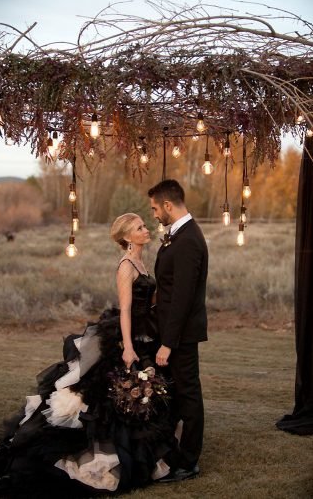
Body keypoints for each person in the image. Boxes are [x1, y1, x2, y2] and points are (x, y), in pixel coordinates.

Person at [0, 213, 175, 499]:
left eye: (144, 226)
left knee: (139, 395)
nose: (146, 230)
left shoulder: (142, 262)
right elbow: (125, 309)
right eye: (139, 228)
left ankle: (138, 452)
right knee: (106, 395)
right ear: (126, 237)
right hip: (126, 335)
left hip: (146, 331)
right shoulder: (125, 266)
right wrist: (129, 347)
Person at [148, 179, 208, 482]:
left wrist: (168, 343)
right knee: (175, 393)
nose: (155, 215)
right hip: (172, 331)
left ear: (168, 206)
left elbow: (183, 298)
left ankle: (189, 461)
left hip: (182, 335)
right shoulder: (178, 235)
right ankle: (172, 450)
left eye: (156, 208)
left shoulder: (188, 241)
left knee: (189, 394)